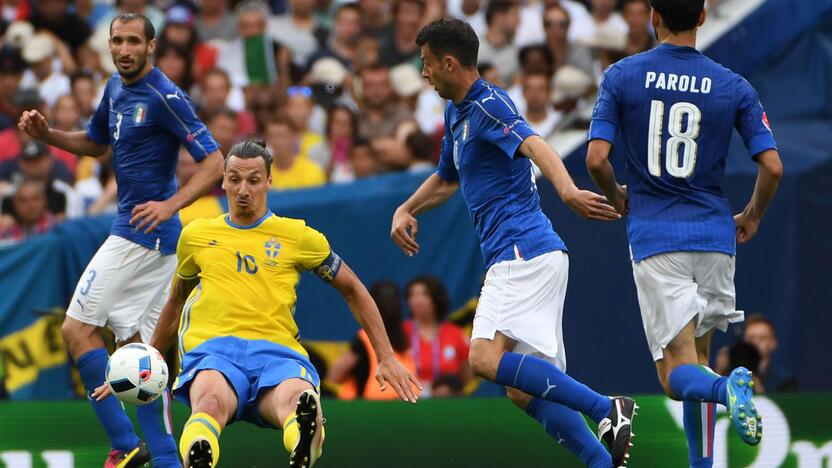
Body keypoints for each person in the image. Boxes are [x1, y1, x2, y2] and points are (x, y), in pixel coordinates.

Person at [391, 18, 636, 468]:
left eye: (426, 63)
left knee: (483, 359)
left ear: (448, 62)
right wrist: (406, 208)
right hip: (533, 255)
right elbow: (448, 180)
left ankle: (607, 407)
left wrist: (566, 191)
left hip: (520, 251)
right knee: (522, 390)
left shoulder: (488, 104)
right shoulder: (456, 112)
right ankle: (602, 462)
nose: (423, 74)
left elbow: (537, 145)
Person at [97, 140, 421, 468]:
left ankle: (302, 441)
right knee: (210, 401)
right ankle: (201, 455)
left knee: (298, 399)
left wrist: (386, 356)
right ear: (222, 179)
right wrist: (146, 360)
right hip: (215, 351)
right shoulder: (196, 235)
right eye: (235, 179)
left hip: (277, 352)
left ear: (269, 181)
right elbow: (176, 301)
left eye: (253, 180)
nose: (243, 190)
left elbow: (353, 289)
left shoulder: (297, 236)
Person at [18, 13, 224, 468]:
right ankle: (168, 461)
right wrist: (46, 134)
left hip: (143, 235)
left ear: (151, 46)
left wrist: (171, 206)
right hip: (148, 241)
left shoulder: (165, 95)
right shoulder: (114, 88)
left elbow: (214, 162)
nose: (124, 49)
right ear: (109, 45)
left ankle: (124, 444)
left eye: (134, 41)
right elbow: (95, 144)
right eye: (117, 41)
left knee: (76, 330)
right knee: (142, 361)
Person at [585, 1, 783, 466]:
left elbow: (595, 159)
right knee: (696, 356)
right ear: (702, 16)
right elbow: (772, 166)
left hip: (657, 237)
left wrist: (615, 193)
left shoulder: (622, 75)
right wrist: (752, 214)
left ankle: (725, 387)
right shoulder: (732, 84)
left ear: (654, 16)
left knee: (676, 375)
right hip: (716, 238)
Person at [330, 280, 417, 400]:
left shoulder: (364, 337)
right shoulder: (409, 335)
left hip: (369, 406)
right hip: (406, 401)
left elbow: (335, 375)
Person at [403, 275, 470, 391]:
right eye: (412, 295)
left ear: (436, 298)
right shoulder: (400, 333)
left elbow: (467, 377)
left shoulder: (456, 334)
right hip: (407, 402)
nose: (417, 299)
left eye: (425, 294)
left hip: (445, 403)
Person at [743, 314, 796, 392]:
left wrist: (759, 390)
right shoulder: (731, 376)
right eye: (751, 338)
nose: (755, 342)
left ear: (773, 343)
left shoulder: (785, 381)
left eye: (762, 338)